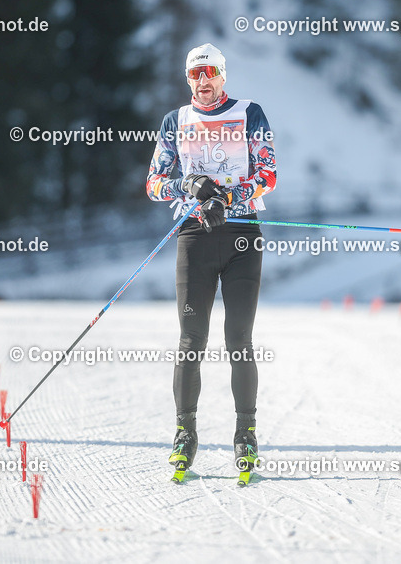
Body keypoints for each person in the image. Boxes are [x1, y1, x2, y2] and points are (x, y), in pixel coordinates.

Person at [145, 43, 277, 480]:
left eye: (211, 73)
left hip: (241, 237)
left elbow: (268, 172)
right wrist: (193, 186)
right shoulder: (175, 122)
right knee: (191, 339)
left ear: (223, 75)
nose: (204, 82)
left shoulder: (249, 112)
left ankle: (246, 433)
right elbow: (154, 183)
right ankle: (185, 433)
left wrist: (228, 197)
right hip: (194, 239)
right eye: (196, 75)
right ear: (188, 80)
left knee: (239, 337)